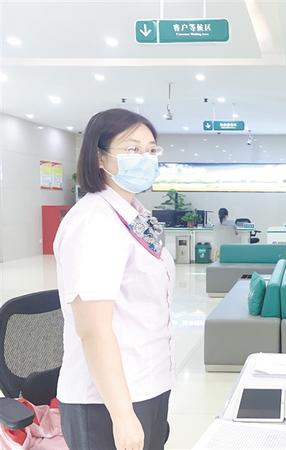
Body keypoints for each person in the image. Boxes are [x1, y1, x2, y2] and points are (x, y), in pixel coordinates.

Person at [54, 108, 175, 450]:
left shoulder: (133, 215)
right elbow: (93, 329)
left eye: (150, 150)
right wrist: (122, 416)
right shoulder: (93, 222)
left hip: (145, 383)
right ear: (99, 157)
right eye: (132, 149)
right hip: (106, 401)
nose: (145, 158)